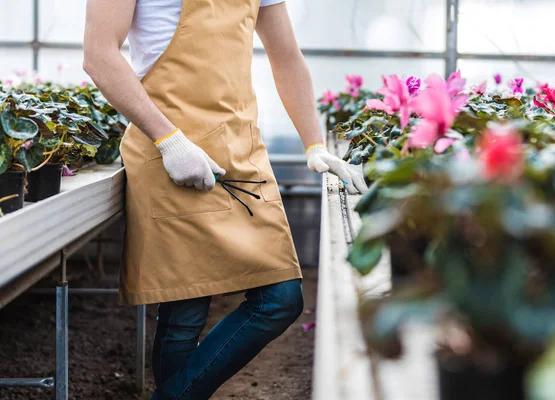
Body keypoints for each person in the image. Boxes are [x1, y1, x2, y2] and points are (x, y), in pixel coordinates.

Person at [83, 0, 367, 398]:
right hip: (170, 151)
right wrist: (170, 141)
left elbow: (285, 55)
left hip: (239, 150)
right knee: (186, 309)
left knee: (281, 298)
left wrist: (314, 144)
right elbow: (99, 57)